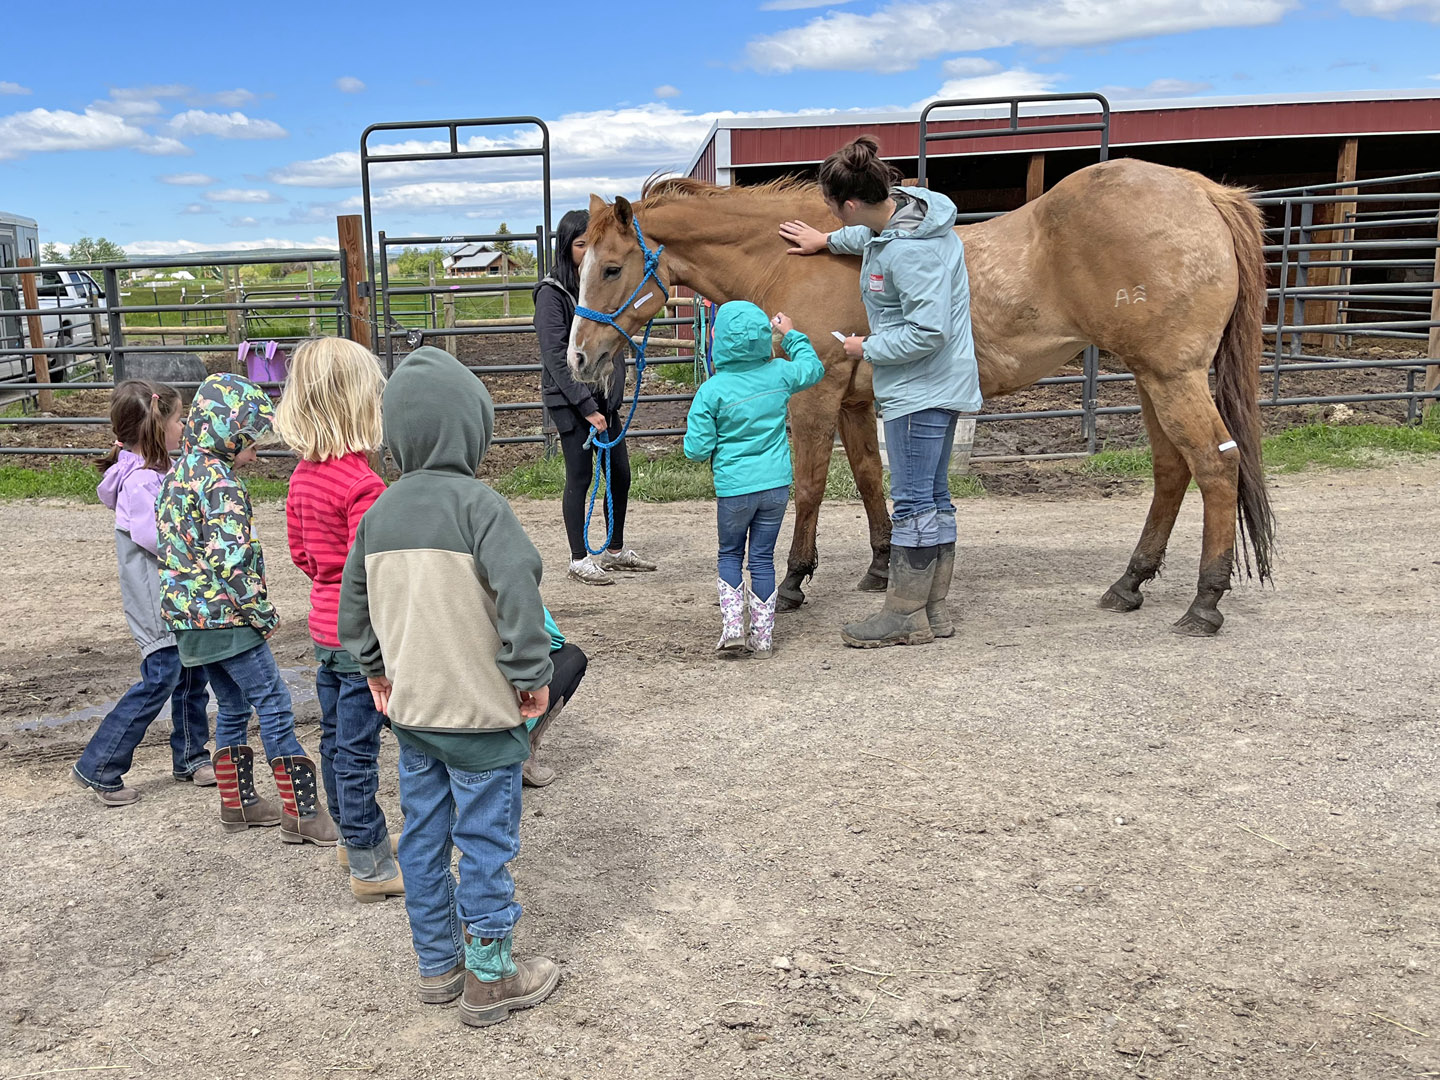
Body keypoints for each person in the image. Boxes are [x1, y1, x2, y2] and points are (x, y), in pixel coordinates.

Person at [338, 346, 560, 1027]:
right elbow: (519, 586)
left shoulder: (379, 513)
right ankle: (491, 979)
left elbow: (353, 606)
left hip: (415, 718)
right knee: (485, 845)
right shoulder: (481, 506)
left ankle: (438, 966)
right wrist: (531, 674)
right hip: (484, 722)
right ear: (472, 429)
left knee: (423, 843)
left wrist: (375, 668)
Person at [779, 135, 982, 648]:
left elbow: (927, 331)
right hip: (936, 384)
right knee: (935, 499)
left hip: (921, 387)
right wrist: (826, 241)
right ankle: (932, 609)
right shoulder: (908, 221)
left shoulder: (911, 254)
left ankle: (903, 615)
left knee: (913, 502)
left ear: (850, 204)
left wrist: (865, 347)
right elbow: (869, 240)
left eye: (832, 210)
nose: (833, 217)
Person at [157, 373, 338, 845]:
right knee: (275, 702)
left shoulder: (177, 474)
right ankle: (303, 812)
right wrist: (262, 613)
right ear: (229, 433)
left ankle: (237, 805)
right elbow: (231, 560)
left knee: (233, 705)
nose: (255, 453)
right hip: (227, 618)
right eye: (249, 441)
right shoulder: (221, 484)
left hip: (190, 623)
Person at [275, 338, 403, 902]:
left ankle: (355, 840)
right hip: (361, 640)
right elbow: (372, 574)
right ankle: (371, 864)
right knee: (359, 751)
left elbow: (302, 555)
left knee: (334, 742)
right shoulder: (363, 485)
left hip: (323, 630)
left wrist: (327, 580)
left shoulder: (303, 476)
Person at [72, 380, 213, 805]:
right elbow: (157, 537)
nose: (183, 425)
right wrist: (201, 545)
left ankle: (191, 755)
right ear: (156, 426)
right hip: (156, 599)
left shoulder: (158, 470)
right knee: (163, 676)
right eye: (177, 419)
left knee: (191, 671)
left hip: (176, 596)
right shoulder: (139, 481)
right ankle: (100, 764)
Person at [683, 303, 825, 658]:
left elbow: (696, 450)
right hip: (775, 487)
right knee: (762, 559)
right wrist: (791, 335)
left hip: (734, 488)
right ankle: (763, 639)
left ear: (717, 338)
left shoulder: (712, 390)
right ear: (765, 337)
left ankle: (733, 629)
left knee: (730, 554)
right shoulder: (779, 374)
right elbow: (813, 368)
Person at [534, 207, 656, 585]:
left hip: (605, 400)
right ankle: (578, 557)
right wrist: (586, 408)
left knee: (620, 475)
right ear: (566, 246)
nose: (586, 250)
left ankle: (615, 550)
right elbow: (556, 356)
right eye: (580, 244)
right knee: (581, 476)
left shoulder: (594, 289)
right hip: (572, 401)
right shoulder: (551, 295)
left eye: (591, 244)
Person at [523, 607, 588, 788]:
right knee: (572, 655)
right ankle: (521, 755)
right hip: (494, 712)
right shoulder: (503, 582)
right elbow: (553, 640)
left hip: (443, 715)